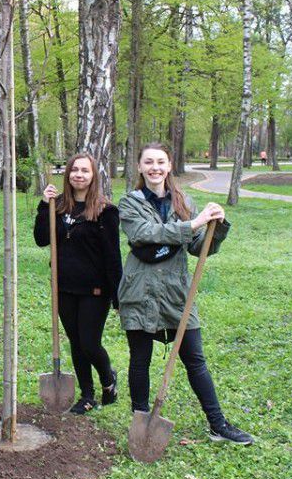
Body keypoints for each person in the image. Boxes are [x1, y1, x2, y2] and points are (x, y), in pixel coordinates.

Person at [118, 142, 254, 444]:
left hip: (177, 295)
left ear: (169, 166)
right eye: (148, 162)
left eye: (161, 162)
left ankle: (218, 424)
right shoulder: (129, 203)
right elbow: (143, 234)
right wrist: (192, 224)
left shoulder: (184, 202)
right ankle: (140, 423)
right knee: (140, 360)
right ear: (139, 167)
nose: (155, 168)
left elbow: (197, 247)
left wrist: (216, 227)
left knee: (195, 359)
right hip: (139, 292)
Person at [33, 153, 123, 415]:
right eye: (74, 170)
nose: (79, 175)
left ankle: (108, 378)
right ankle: (87, 395)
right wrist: (44, 205)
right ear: (68, 174)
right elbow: (41, 239)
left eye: (85, 170)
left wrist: (117, 296)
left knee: (89, 343)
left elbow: (113, 256)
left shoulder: (105, 211)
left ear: (93, 176)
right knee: (75, 342)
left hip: (94, 290)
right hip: (64, 287)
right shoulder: (58, 206)